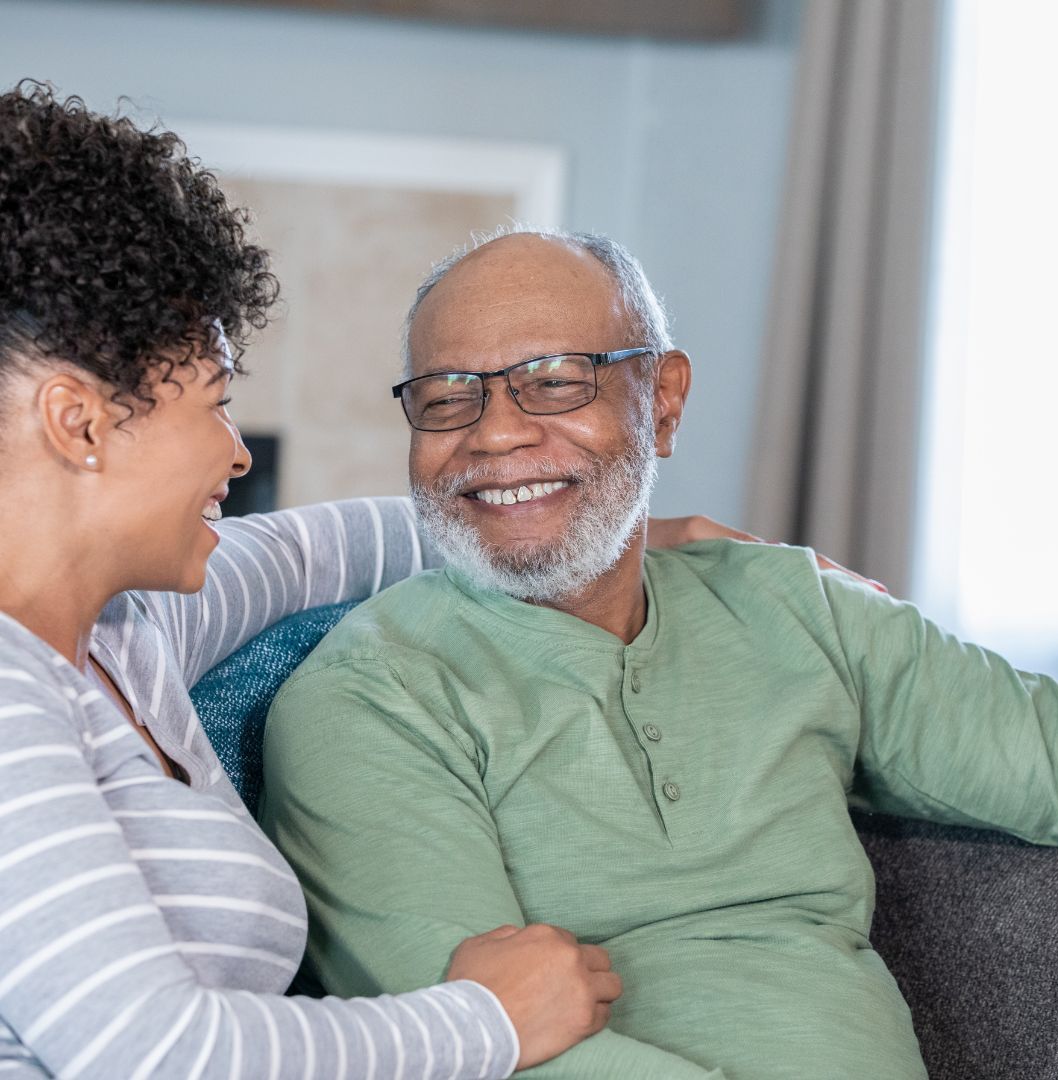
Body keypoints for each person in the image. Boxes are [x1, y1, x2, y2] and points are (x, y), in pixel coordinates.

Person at [259, 228, 1058, 1080]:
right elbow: (474, 1048)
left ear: (664, 401)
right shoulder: (368, 697)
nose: (494, 434)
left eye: (554, 382)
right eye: (446, 396)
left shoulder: (800, 609)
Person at [0, 83, 641, 1078]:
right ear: (78, 422)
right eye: (214, 403)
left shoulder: (131, 634)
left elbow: (328, 549)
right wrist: (490, 1021)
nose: (234, 453)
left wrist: (596, 527)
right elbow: (160, 1053)